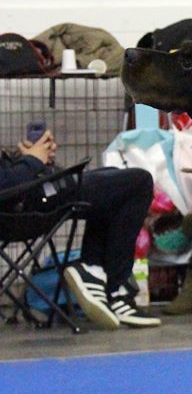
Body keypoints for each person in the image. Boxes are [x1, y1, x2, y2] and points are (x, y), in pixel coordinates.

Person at [1, 130, 161, 329]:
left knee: (113, 177)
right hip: (21, 210)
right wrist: (33, 161)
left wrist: (28, 159)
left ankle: (95, 272)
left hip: (26, 199)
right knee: (138, 182)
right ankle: (112, 287)